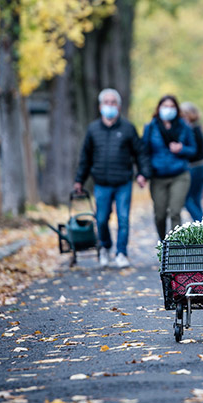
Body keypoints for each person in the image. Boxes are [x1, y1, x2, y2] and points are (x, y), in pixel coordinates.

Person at [74, 88, 150, 268]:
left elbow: (140, 153)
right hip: (101, 183)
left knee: (123, 218)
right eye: (106, 102)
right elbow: (85, 157)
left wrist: (143, 173)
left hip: (123, 181)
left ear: (119, 106)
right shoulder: (93, 129)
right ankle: (105, 247)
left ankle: (121, 253)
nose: (110, 106)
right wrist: (79, 180)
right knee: (101, 219)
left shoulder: (127, 128)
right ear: (100, 106)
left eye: (113, 102)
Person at [142, 95, 197, 240]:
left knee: (175, 212)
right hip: (158, 176)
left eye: (172, 106)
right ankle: (163, 243)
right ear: (159, 108)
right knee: (160, 215)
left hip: (179, 175)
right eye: (165, 106)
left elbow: (193, 149)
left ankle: (174, 250)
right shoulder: (151, 127)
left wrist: (181, 149)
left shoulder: (183, 126)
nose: (168, 109)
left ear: (177, 109)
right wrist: (143, 173)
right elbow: (144, 152)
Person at [180, 102, 203, 222]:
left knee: (186, 199)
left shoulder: (191, 129)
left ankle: (200, 223)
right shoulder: (198, 128)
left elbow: (194, 151)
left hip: (195, 167)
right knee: (196, 199)